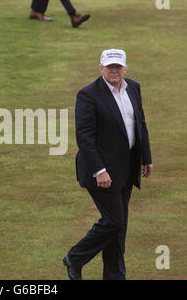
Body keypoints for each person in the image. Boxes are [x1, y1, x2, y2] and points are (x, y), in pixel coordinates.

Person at [63, 49, 153, 279]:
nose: (114, 70)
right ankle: (75, 257)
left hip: (127, 167)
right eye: (109, 66)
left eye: (118, 66)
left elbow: (139, 123)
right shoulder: (88, 95)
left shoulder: (133, 87)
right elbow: (85, 137)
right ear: (101, 67)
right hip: (101, 171)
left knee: (118, 228)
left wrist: (146, 157)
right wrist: (99, 171)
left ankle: (114, 277)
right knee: (114, 220)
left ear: (125, 68)